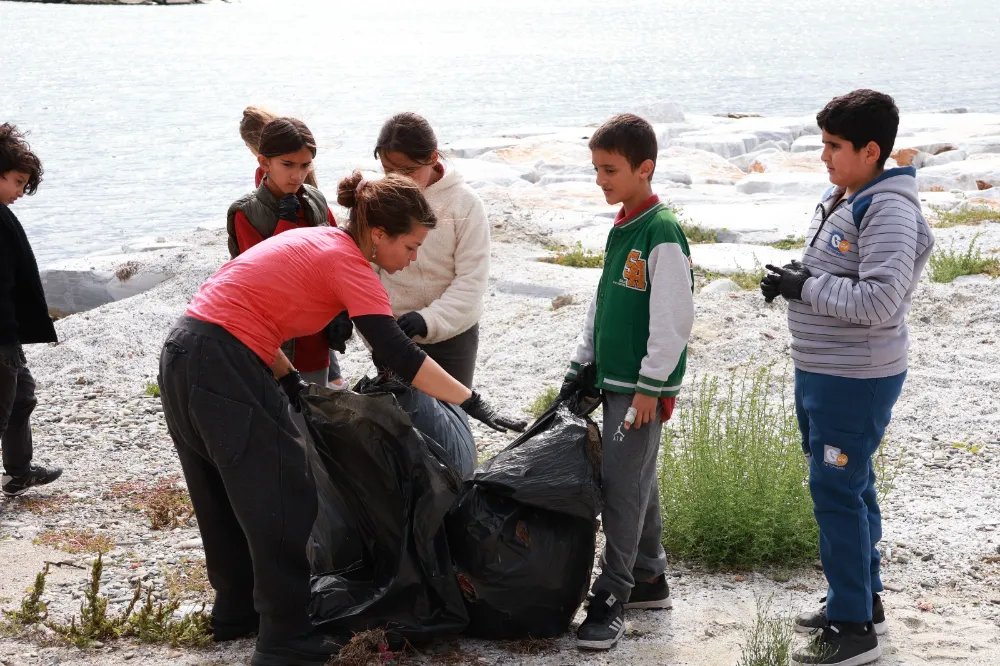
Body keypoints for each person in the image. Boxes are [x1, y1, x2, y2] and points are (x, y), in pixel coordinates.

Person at [159, 170, 524, 666]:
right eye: (412, 245)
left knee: (220, 492)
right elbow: (396, 350)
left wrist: (290, 382)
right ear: (379, 234)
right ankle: (284, 640)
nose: (413, 257)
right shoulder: (349, 262)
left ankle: (236, 613)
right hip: (223, 363)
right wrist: (470, 401)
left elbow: (247, 308)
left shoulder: (319, 241)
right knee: (285, 495)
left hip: (185, 351)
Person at [760, 90, 934, 666]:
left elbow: (882, 300)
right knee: (851, 485)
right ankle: (857, 598)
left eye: (834, 146)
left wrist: (803, 287)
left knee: (836, 491)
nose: (824, 156)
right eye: (823, 144)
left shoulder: (887, 208)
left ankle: (854, 629)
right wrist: (796, 275)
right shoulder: (847, 194)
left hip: (854, 375)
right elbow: (841, 271)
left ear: (871, 149)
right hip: (821, 368)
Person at [559, 114, 694, 651]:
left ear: (645, 168)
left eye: (610, 169)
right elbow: (603, 301)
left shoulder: (661, 231)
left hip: (640, 387)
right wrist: (580, 363)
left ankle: (612, 593)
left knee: (622, 486)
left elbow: (673, 320)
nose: (600, 180)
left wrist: (650, 385)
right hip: (612, 379)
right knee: (635, 475)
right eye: (595, 169)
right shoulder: (622, 225)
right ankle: (648, 577)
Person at [228, 116, 347, 389]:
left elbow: (340, 261)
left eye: (305, 165)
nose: (297, 175)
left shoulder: (316, 200)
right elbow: (267, 277)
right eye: (288, 165)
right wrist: (286, 223)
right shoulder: (246, 213)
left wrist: (342, 311)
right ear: (263, 163)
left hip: (316, 344)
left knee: (314, 421)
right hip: (273, 345)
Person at [373, 112, 490, 388]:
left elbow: (472, 280)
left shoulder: (466, 204)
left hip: (453, 336)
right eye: (389, 170)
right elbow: (365, 270)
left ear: (433, 158)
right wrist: (379, 329)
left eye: (408, 170)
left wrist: (429, 320)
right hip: (394, 333)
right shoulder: (377, 200)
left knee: (452, 422)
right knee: (400, 424)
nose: (398, 180)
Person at [0, 123, 62, 497]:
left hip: (10, 334)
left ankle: (19, 471)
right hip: (1, 336)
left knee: (23, 397)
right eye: (18, 182)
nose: (21, 192)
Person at [239, 105, 318, 189]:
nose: (298, 177)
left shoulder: (264, 173)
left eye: (248, 146)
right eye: (287, 164)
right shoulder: (303, 160)